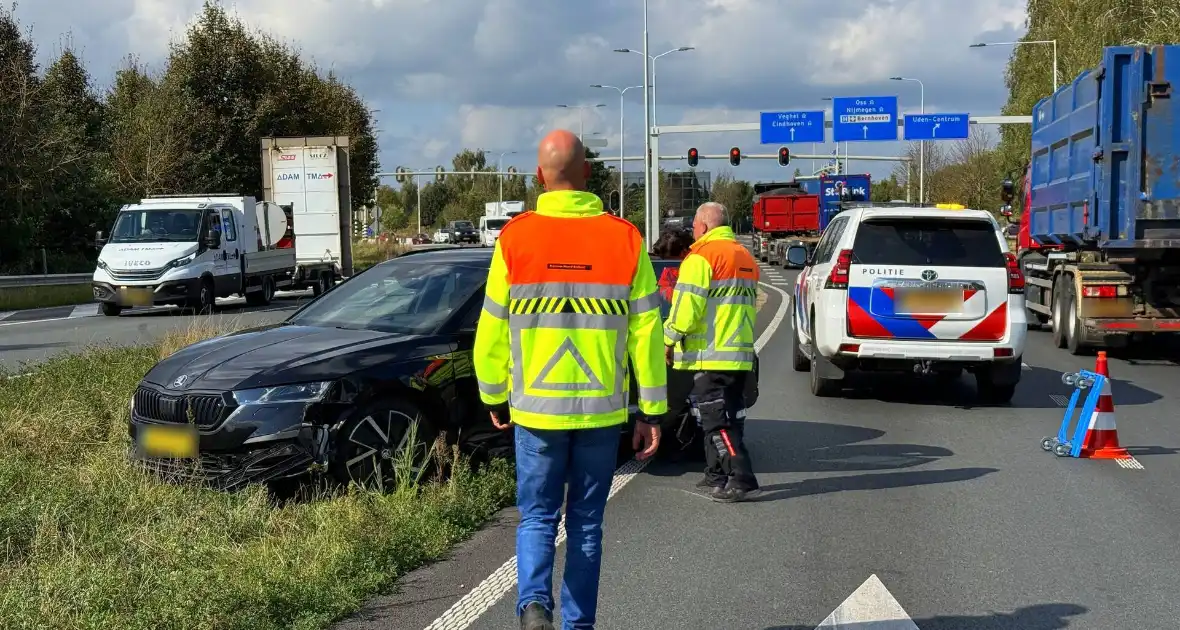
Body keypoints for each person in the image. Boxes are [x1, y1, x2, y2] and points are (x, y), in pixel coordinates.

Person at [473, 129, 668, 630]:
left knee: (537, 517)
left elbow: (491, 327)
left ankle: (533, 605)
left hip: (536, 411)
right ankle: (578, 626)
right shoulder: (624, 238)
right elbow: (647, 332)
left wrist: (494, 393)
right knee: (585, 524)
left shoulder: (515, 238)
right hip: (600, 411)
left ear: (539, 177)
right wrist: (650, 410)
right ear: (588, 173)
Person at [662, 202, 761, 503]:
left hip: (711, 353)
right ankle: (717, 474)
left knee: (716, 420)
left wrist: (669, 338)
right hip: (737, 353)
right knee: (722, 416)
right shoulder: (744, 256)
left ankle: (741, 478)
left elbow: (687, 309)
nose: (692, 232)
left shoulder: (702, 257)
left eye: (693, 226)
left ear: (703, 226)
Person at [651, 228, 694, 301]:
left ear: (683, 252)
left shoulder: (696, 264)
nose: (667, 263)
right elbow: (663, 288)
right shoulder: (669, 267)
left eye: (670, 258)